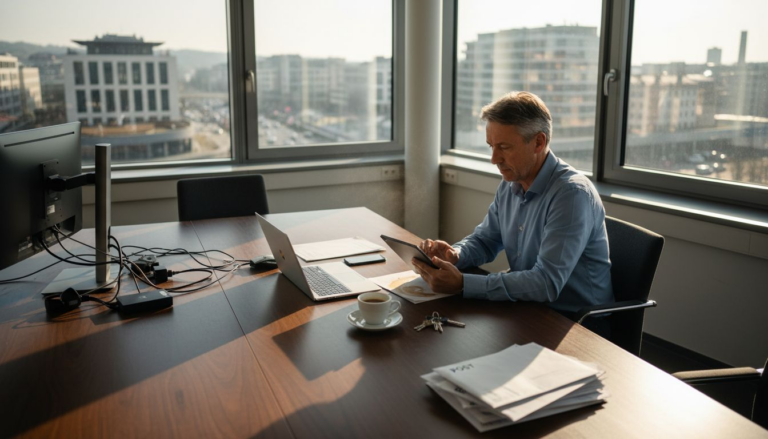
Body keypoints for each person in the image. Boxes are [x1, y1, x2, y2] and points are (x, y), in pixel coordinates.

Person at [412, 91, 613, 333]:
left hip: (578, 325)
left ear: (539, 142)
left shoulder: (571, 195)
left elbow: (546, 283)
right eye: (491, 146)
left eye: (504, 147)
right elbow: (486, 240)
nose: (494, 159)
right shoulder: (512, 183)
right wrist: (456, 254)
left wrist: (463, 284)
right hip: (529, 308)